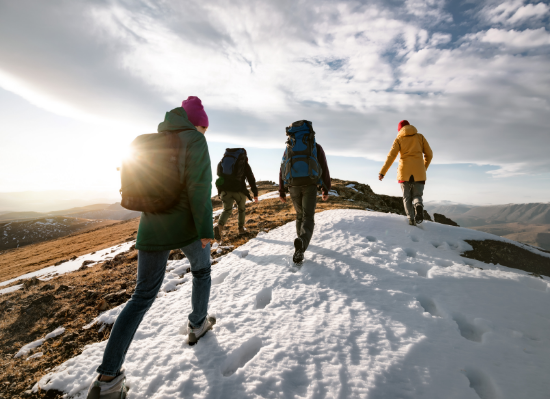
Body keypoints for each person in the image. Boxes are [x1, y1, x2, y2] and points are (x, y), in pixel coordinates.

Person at [86, 96, 215, 399]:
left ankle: (108, 380)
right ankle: (197, 324)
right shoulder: (195, 141)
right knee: (202, 271)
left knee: (141, 296)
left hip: (152, 226)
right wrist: (206, 231)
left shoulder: (154, 140)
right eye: (205, 128)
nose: (204, 132)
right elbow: (199, 187)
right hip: (186, 227)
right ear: (199, 124)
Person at [278, 120, 331, 264]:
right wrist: (325, 188)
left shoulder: (289, 147)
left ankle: (300, 241)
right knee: (308, 216)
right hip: (310, 184)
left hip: (293, 185)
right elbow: (324, 167)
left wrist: (282, 190)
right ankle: (301, 242)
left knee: (300, 215)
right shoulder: (315, 146)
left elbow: (282, 167)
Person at [379, 120, 433, 226]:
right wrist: (423, 167)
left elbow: (391, 157)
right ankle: (418, 205)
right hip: (419, 171)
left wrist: (382, 172)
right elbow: (429, 155)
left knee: (406, 196)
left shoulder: (399, 139)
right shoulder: (420, 137)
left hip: (404, 171)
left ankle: (411, 220)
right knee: (417, 195)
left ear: (399, 130)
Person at [214, 149, 259, 239]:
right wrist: (255, 192)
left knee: (227, 210)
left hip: (225, 191)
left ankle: (219, 227)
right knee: (241, 209)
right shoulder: (243, 163)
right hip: (239, 190)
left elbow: (218, 174)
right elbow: (250, 177)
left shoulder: (222, 161)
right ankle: (241, 229)